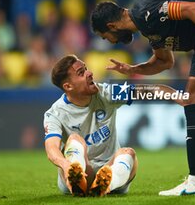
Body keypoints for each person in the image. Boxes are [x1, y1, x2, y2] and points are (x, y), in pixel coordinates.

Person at [90, 0, 195, 196]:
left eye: (106, 37)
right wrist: (132, 69)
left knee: (194, 100)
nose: (110, 42)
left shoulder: (146, 12)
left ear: (111, 26)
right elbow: (164, 62)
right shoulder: (147, 26)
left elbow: (193, 9)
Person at [43, 54, 138, 197]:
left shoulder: (105, 92)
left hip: (110, 167)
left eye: (86, 68)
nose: (90, 73)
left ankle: (106, 181)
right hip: (82, 168)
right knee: (75, 139)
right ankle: (77, 178)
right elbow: (51, 148)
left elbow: (147, 91)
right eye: (81, 73)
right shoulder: (55, 113)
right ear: (68, 86)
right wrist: (65, 165)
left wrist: (177, 95)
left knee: (127, 153)